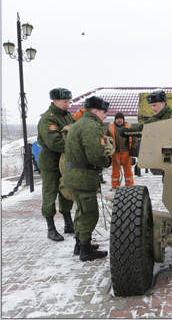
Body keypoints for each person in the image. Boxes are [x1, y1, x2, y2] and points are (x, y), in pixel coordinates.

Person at [62, 96, 112, 261]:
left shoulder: (79, 124)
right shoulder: (91, 126)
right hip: (83, 177)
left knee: (81, 211)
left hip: (75, 176)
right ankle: (85, 250)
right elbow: (96, 155)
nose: (105, 116)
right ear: (96, 111)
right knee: (89, 213)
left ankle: (80, 244)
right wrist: (108, 161)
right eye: (104, 112)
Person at [37, 88, 75, 242]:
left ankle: (68, 223)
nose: (68, 104)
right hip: (51, 161)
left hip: (64, 160)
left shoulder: (67, 116)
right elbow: (54, 142)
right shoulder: (48, 119)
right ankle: (51, 228)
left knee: (66, 190)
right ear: (55, 101)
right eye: (65, 102)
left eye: (68, 101)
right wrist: (76, 150)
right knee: (50, 193)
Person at [74, 108, 107, 184]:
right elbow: (94, 154)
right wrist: (106, 161)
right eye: (104, 113)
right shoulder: (89, 126)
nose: (105, 117)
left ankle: (100, 180)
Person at [106, 112, 137, 191]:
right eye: (117, 119)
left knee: (128, 170)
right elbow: (107, 139)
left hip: (126, 152)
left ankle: (129, 185)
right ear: (115, 120)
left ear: (123, 119)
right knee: (115, 170)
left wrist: (133, 148)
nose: (119, 120)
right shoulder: (110, 127)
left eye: (121, 119)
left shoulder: (129, 126)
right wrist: (108, 150)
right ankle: (114, 186)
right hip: (115, 153)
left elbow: (134, 138)